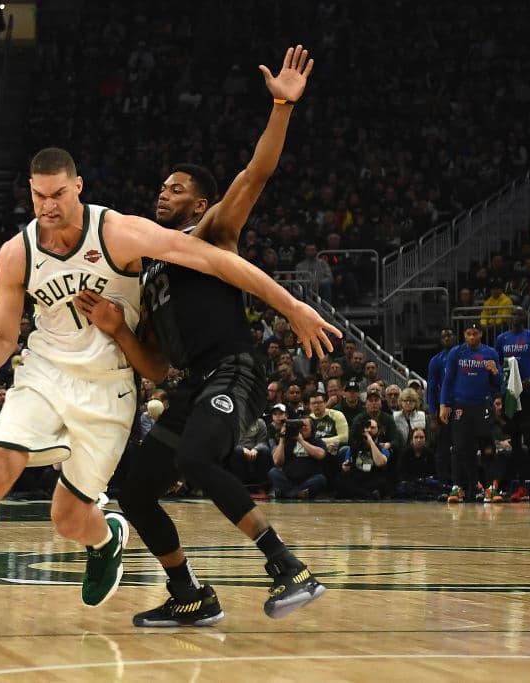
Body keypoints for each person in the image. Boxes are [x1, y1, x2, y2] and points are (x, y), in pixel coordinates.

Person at [0, 142, 336, 635]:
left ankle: (106, 542)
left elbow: (217, 261)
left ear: (78, 186)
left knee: (68, 517)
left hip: (109, 389)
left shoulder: (121, 232)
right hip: (45, 372)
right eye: (38, 196)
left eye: (58, 193)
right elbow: (0, 336)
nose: (48, 206)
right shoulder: (17, 253)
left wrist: (291, 306)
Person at [72, 46, 337, 627]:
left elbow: (257, 173)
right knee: (137, 491)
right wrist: (118, 331)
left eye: (175, 188)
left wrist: (281, 108)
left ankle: (289, 568)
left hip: (233, 368)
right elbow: (157, 370)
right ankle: (190, 594)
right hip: (191, 384)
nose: (162, 194)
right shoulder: (147, 271)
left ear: (198, 200)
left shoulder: (212, 231)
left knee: (195, 459)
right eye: (161, 189)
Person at [440, 322, 503, 503]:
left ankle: (491, 488)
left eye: (475, 333)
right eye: (469, 333)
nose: (472, 337)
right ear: (464, 334)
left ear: (481, 334)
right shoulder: (456, 353)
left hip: (482, 405)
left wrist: (495, 371)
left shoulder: (490, 353)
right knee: (459, 448)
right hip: (461, 406)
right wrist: (444, 404)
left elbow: (499, 383)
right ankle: (458, 487)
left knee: (487, 447)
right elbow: (448, 380)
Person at [494, 307, 530, 502]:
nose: (516, 317)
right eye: (513, 314)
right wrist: (505, 383)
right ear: (509, 317)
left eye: (519, 314)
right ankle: (521, 485)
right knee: (515, 443)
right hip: (510, 395)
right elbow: (499, 365)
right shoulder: (502, 339)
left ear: (525, 317)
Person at [268, 416, 327, 499]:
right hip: (289, 480)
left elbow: (321, 455)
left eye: (304, 426)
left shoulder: (317, 441)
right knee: (273, 472)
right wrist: (282, 440)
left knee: (320, 479)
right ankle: (297, 494)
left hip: (308, 480)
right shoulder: (288, 441)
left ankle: (287, 493)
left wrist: (301, 441)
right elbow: (277, 461)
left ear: (311, 429)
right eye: (300, 426)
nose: (302, 428)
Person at [427, 327, 456, 485]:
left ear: (455, 337)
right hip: (444, 410)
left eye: (449, 334)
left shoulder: (462, 356)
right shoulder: (436, 360)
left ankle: (463, 481)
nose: (446, 338)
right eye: (443, 335)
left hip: (462, 407)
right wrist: (432, 415)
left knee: (461, 446)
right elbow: (431, 388)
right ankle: (444, 481)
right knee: (442, 448)